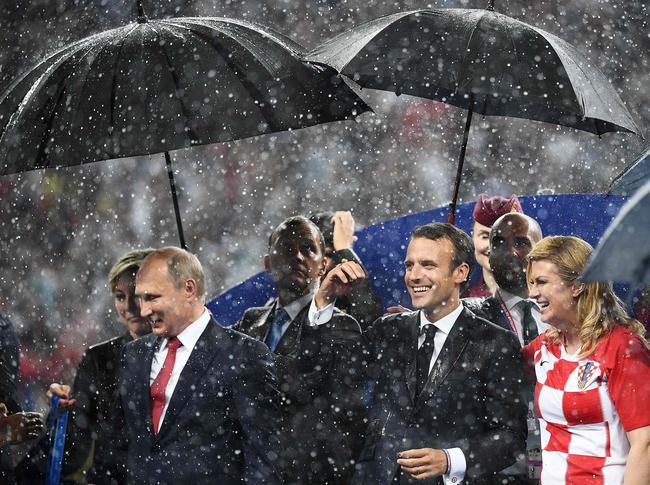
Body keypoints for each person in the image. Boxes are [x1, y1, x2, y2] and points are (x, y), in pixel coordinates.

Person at [311, 222, 527, 484]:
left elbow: (510, 437)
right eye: (409, 265)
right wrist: (323, 302)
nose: (414, 275)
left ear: (460, 272)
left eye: (428, 265)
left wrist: (450, 460)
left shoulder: (495, 342)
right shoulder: (388, 330)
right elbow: (327, 373)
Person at [105, 247, 283, 484]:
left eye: (152, 297)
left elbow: (265, 460)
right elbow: (117, 446)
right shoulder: (133, 354)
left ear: (189, 289)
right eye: (141, 298)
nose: (144, 310)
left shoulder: (244, 355)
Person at [235, 216, 366, 485]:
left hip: (310, 475)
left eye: (308, 248)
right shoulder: (249, 321)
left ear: (323, 266)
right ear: (268, 264)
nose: (296, 256)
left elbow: (300, 384)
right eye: (286, 248)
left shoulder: (342, 326)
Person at [16, 249, 155, 484]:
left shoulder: (192, 353)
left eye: (138, 295)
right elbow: (74, 443)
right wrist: (60, 414)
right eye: (120, 296)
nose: (129, 307)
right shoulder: (99, 358)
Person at [525, 236, 650, 484]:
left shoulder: (623, 348)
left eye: (541, 282)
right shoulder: (543, 347)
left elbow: (645, 443)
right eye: (531, 283)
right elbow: (494, 373)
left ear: (578, 285)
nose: (532, 293)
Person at [464, 213, 548, 484]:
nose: (510, 251)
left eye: (522, 243)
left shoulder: (568, 319)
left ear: (542, 251)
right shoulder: (468, 322)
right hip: (496, 468)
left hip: (559, 460)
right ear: (488, 255)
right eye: (499, 242)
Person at [309, 210, 383, 329]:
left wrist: (344, 249)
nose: (321, 264)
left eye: (328, 255)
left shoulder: (348, 299)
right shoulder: (290, 303)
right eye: (313, 254)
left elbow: (368, 326)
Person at [465, 193, 523, 297]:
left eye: (501, 237)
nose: (492, 245)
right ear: (472, 238)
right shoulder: (463, 300)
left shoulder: (539, 295)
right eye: (484, 236)